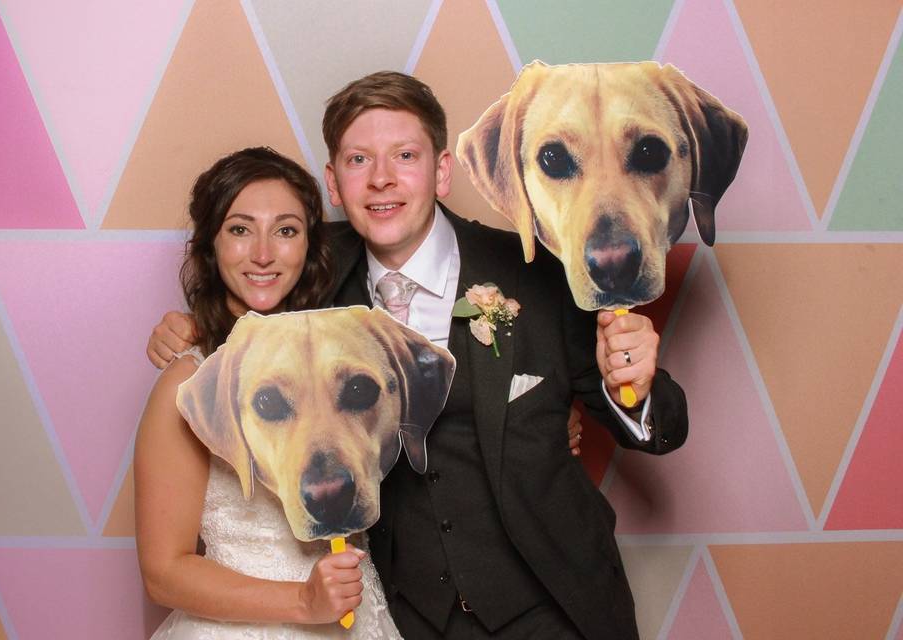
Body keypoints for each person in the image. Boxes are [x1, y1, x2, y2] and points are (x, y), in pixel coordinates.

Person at [149, 72, 688, 640]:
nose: (382, 179)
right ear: (334, 183)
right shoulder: (314, 280)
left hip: (551, 602)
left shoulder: (536, 274)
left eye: (405, 155)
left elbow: (654, 428)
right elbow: (250, 281)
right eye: (359, 160)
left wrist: (639, 384)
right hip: (408, 616)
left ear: (442, 170)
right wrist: (192, 327)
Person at [134, 146, 402, 638]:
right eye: (239, 229)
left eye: (285, 230)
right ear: (209, 245)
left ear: (310, 246)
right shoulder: (189, 379)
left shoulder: (344, 353)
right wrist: (302, 602)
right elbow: (163, 571)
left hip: (358, 619)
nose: (262, 253)